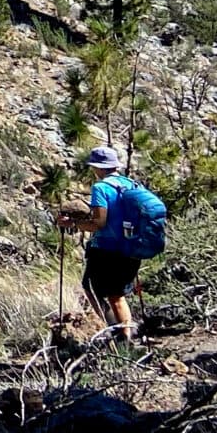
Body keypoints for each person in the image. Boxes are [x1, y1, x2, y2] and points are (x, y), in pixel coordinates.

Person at [57, 145, 167, 339]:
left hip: (107, 250)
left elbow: (99, 222)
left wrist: (73, 223)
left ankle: (119, 335)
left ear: (97, 167)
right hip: (132, 248)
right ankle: (126, 334)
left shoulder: (101, 187)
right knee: (117, 294)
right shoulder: (132, 184)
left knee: (93, 289)